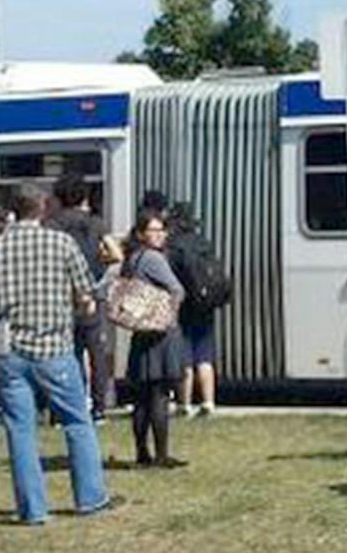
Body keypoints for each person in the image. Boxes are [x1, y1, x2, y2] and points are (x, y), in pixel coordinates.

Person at [0, 183, 112, 521]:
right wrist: (79, 312)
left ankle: (33, 509)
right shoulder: (61, 244)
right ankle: (90, 498)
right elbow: (85, 296)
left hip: (9, 352)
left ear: (12, 209)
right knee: (77, 422)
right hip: (54, 347)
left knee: (20, 430)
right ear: (44, 207)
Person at [120, 209, 190, 467]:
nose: (160, 235)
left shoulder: (133, 257)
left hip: (142, 332)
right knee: (160, 394)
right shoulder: (153, 258)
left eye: (162, 230)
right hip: (161, 334)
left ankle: (142, 452)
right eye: (154, 230)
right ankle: (161, 454)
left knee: (141, 397)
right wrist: (169, 314)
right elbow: (177, 289)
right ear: (141, 234)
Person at [44, 172, 117, 419]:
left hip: (61, 298)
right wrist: (99, 261)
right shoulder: (95, 223)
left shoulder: (51, 224)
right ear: (83, 196)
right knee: (96, 353)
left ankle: (64, 408)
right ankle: (98, 408)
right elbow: (116, 254)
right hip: (92, 295)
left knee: (67, 353)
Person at [166, 202, 227, 418]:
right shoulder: (204, 243)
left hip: (184, 306)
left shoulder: (173, 246)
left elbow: (170, 278)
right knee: (204, 356)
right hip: (205, 305)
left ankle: (185, 403)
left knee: (186, 358)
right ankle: (209, 402)